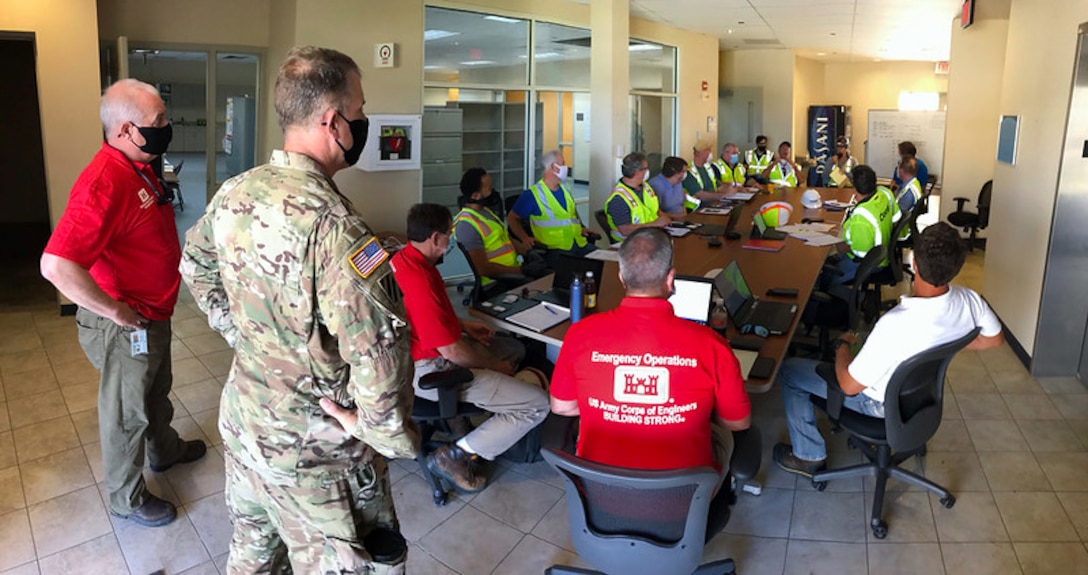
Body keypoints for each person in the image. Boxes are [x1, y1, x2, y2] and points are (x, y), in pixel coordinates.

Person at [181, 46, 418, 573]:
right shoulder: (339, 230)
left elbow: (194, 265)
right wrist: (384, 434)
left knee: (253, 559)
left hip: (248, 428)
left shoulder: (235, 192)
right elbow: (379, 354)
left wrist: (243, 337)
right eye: (360, 112)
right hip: (320, 457)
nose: (363, 122)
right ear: (333, 122)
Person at [40, 79, 206, 528]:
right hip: (124, 323)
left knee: (155, 392)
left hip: (154, 312)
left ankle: (165, 451)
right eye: (158, 122)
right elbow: (56, 265)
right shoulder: (104, 181)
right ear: (126, 130)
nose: (166, 127)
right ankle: (126, 498)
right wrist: (115, 311)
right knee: (124, 413)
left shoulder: (140, 164)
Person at [550, 227, 752, 539]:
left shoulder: (580, 334)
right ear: (671, 279)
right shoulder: (711, 345)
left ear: (621, 276)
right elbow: (737, 422)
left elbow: (563, 408)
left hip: (599, 496)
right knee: (722, 434)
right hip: (683, 506)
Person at [773, 222, 1004, 477]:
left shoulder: (894, 324)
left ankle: (809, 455)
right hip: (920, 398)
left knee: (788, 371)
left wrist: (842, 348)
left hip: (877, 405)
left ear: (914, 263)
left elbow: (849, 386)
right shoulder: (970, 300)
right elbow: (994, 339)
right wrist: (946, 342)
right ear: (956, 267)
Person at [392, 203, 550, 494]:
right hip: (433, 369)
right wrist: (493, 367)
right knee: (537, 404)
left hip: (417, 358)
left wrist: (464, 324)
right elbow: (452, 352)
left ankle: (474, 420)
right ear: (436, 238)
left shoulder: (406, 260)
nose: (450, 241)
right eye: (448, 235)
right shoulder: (419, 280)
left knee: (515, 348)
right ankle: (454, 455)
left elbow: (429, 318)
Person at [453, 167, 548, 288]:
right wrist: (523, 270)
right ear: (476, 195)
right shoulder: (466, 226)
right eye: (489, 189)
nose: (493, 192)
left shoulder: (486, 212)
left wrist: (528, 252)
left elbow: (506, 240)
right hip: (496, 283)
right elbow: (483, 269)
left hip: (512, 273)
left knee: (553, 277)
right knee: (545, 287)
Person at [821, 165, 899, 299]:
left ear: (855, 189)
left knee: (824, 280)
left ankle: (862, 299)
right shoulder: (885, 193)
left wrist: (840, 246)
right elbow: (896, 218)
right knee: (827, 263)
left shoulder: (861, 216)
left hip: (869, 262)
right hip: (884, 252)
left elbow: (861, 253)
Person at [508, 149, 596, 266]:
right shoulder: (533, 194)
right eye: (563, 163)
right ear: (553, 167)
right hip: (555, 251)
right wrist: (524, 238)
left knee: (605, 261)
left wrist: (581, 228)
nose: (566, 167)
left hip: (579, 244)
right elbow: (512, 218)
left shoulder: (566, 189)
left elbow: (571, 215)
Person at [604, 152, 671, 242]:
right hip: (629, 242)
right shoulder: (618, 198)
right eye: (645, 169)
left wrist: (664, 219)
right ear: (637, 172)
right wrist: (655, 224)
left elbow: (655, 210)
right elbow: (625, 230)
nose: (647, 172)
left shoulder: (645, 187)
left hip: (651, 235)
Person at [682, 139, 728, 208]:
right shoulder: (689, 171)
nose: (710, 153)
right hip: (695, 209)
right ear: (699, 153)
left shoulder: (708, 168)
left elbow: (718, 186)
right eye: (708, 150)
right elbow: (700, 195)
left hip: (712, 205)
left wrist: (734, 190)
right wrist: (722, 196)